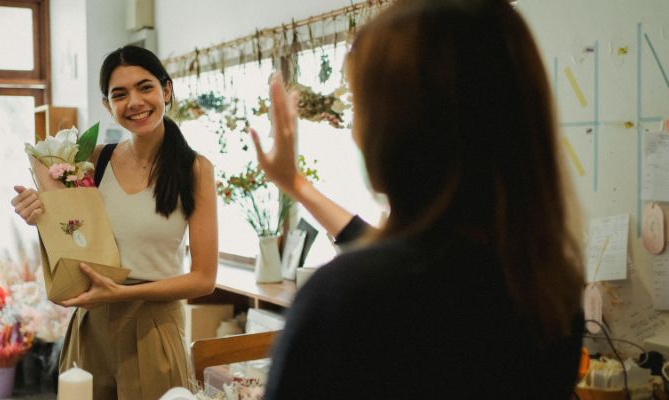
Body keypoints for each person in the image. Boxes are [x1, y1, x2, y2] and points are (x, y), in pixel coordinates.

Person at [250, 0, 585, 398]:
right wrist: (296, 184)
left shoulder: (347, 300)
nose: (356, 130)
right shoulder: (548, 290)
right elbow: (409, 256)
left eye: (362, 106)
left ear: (403, 128)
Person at [11, 45, 218, 400]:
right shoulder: (93, 161)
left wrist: (123, 293)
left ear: (166, 90)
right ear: (108, 106)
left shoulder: (195, 169)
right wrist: (37, 214)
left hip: (153, 326)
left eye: (145, 87)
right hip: (91, 326)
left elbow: (204, 279)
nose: (135, 101)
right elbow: (71, 233)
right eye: (120, 94)